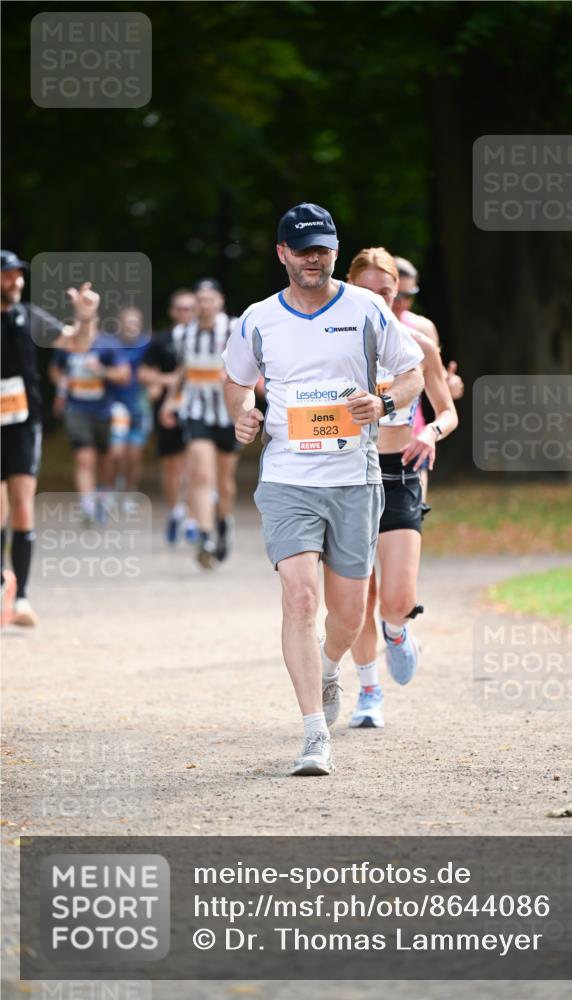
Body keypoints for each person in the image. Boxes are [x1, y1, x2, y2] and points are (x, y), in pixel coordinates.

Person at [223, 203, 424, 776]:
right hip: (288, 479)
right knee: (300, 598)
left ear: (335, 251)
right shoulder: (258, 318)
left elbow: (409, 373)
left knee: (347, 612)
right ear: (282, 253)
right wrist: (243, 413)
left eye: (324, 249)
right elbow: (236, 381)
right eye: (303, 248)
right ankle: (314, 733)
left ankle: (331, 664)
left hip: (354, 481)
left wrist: (384, 402)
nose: (314, 258)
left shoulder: (367, 309)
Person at [347, 248, 459, 728]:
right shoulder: (332, 342)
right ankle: (368, 691)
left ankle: (397, 630)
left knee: (394, 599)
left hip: (401, 470)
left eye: (387, 293)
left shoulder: (419, 341)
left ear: (399, 294)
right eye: (369, 292)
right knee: (357, 600)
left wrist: (428, 432)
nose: (379, 301)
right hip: (348, 472)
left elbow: (446, 409)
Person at [0, 249, 99, 626]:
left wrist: (85, 317)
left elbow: (77, 343)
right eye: (7, 276)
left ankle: (22, 597)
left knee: (23, 503)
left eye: (18, 275)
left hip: (24, 421)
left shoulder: (28, 316)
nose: (16, 281)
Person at [160, 278, 239, 567]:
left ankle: (223, 524)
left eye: (210, 299)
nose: (204, 305)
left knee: (225, 481)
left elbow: (252, 363)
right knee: (201, 474)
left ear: (220, 302)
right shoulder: (183, 334)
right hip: (195, 411)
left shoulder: (234, 328)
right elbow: (183, 368)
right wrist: (171, 400)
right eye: (200, 300)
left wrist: (232, 377)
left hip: (227, 412)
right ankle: (205, 535)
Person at [392, 256, 464, 497]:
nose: (402, 302)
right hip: (365, 446)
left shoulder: (422, 329)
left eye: (409, 295)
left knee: (413, 520)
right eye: (396, 294)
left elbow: (439, 380)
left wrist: (451, 384)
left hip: (413, 440)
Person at [49, 332, 129, 524]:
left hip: (104, 410)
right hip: (76, 409)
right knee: (84, 458)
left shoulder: (108, 344)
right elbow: (55, 369)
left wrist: (101, 370)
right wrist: (62, 390)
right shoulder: (67, 343)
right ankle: (87, 506)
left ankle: (104, 498)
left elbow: (124, 375)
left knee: (107, 459)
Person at [139, 289, 196, 544]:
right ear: (173, 312)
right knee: (171, 466)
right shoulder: (161, 341)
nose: (185, 313)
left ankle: (194, 516)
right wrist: (166, 380)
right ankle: (175, 511)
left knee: (194, 464)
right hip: (167, 410)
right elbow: (143, 374)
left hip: (198, 410)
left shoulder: (209, 339)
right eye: (181, 308)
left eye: (190, 308)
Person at [106, 307, 152, 503]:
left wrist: (154, 386)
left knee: (134, 454)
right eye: (127, 322)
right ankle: (111, 487)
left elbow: (157, 369)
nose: (131, 327)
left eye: (135, 323)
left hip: (139, 406)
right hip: (114, 406)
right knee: (116, 453)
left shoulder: (148, 345)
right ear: (119, 325)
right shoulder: (109, 346)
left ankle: (130, 491)